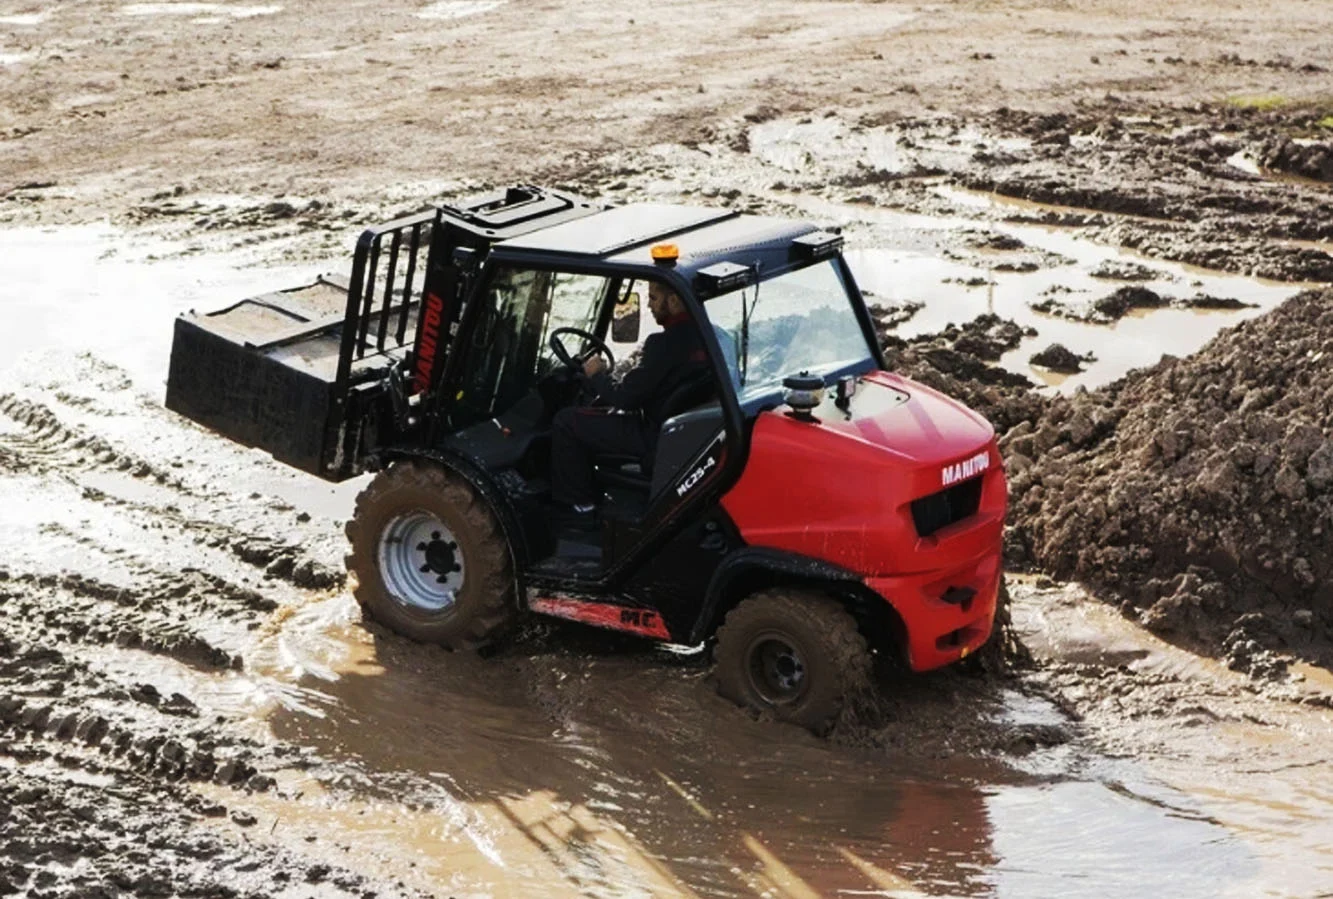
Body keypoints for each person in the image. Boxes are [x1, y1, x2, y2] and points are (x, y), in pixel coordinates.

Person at [550, 283, 710, 527]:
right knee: (593, 414)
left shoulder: (663, 344)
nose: (649, 305)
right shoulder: (709, 336)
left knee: (566, 421)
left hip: (652, 433)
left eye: (654, 299)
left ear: (675, 302)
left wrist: (595, 375)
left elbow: (625, 398)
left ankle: (578, 508)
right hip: (682, 428)